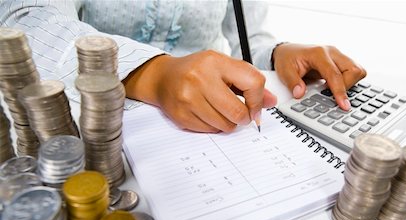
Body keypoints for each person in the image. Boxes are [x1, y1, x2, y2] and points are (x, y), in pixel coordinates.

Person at [0, 0, 366, 133]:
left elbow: (247, 40)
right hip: (102, 120)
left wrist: (278, 52)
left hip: (211, 117)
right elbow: (27, 20)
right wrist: (153, 73)